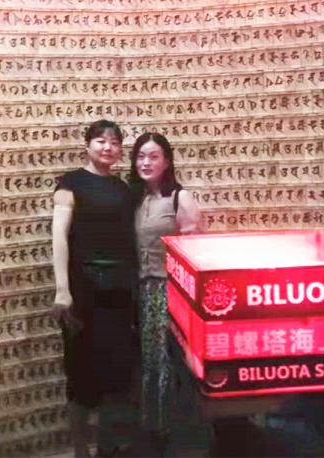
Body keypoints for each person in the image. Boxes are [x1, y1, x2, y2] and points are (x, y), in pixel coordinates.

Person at [52, 120, 137, 458]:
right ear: (87, 145)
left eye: (114, 142)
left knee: (115, 374)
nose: (107, 147)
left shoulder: (123, 189)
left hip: (119, 292)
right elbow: (59, 236)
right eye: (100, 140)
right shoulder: (70, 183)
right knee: (81, 375)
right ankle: (79, 449)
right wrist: (62, 289)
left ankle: (106, 447)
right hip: (83, 291)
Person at [129, 132, 205, 456]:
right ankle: (152, 427)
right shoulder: (136, 198)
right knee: (149, 360)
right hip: (142, 290)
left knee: (166, 362)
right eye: (140, 156)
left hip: (170, 290)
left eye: (153, 156)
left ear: (167, 161)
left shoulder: (179, 198)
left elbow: (195, 250)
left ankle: (171, 433)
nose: (146, 162)